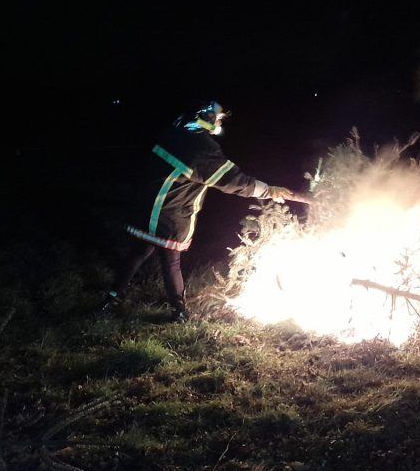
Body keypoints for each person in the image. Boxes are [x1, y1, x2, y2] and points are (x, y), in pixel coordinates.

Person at [102, 100, 306, 321]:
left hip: (146, 205)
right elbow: (233, 181)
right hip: (166, 213)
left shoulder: (177, 132)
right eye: (218, 119)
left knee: (139, 251)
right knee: (170, 261)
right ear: (205, 117)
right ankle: (179, 313)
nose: (220, 123)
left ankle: (111, 299)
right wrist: (268, 190)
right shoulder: (201, 148)